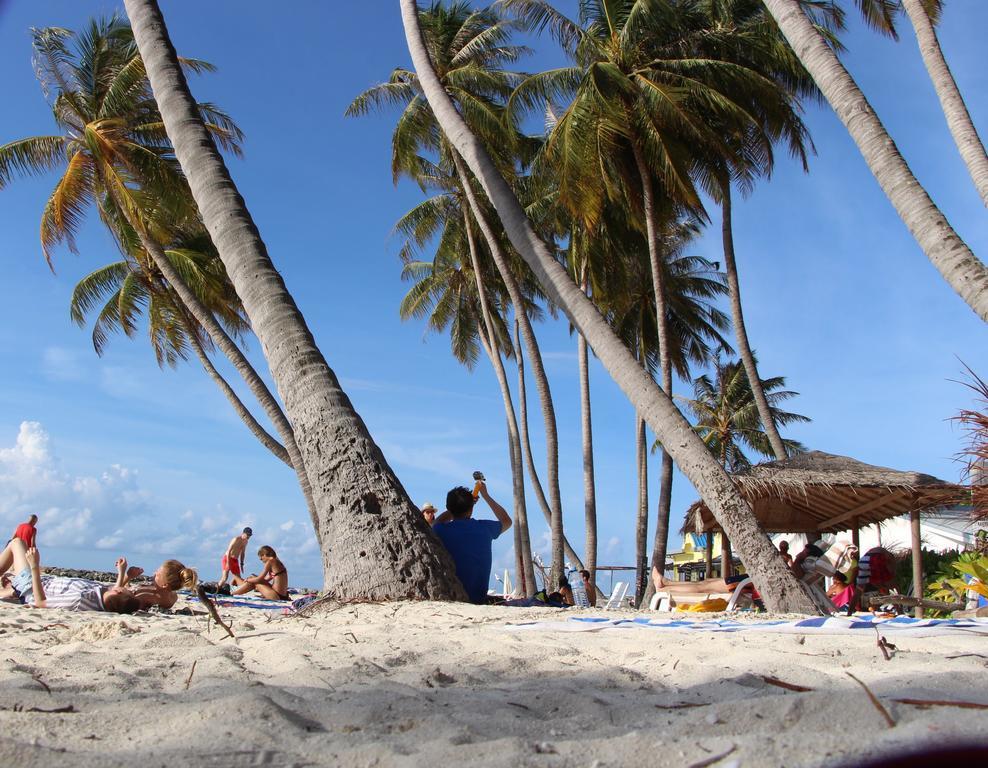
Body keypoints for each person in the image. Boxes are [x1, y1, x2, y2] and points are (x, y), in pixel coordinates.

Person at [0, 538, 139, 613]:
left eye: (129, 591)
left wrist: (34, 566)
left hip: (30, 586)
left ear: (119, 591)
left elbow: (40, 603)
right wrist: (122, 572)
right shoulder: (100, 597)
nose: (130, 589)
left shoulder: (81, 599)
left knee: (17, 543)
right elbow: (115, 592)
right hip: (41, 582)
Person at [431, 481, 511, 604]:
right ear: (471, 508)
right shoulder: (485, 529)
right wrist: (486, 496)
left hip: (453, 597)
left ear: (449, 508)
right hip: (478, 598)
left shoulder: (441, 530)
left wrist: (459, 506)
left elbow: (436, 523)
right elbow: (506, 521)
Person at [115, 557, 198, 610]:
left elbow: (116, 595)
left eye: (157, 574)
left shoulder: (148, 596)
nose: (154, 573)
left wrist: (126, 575)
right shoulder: (172, 596)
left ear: (164, 585)